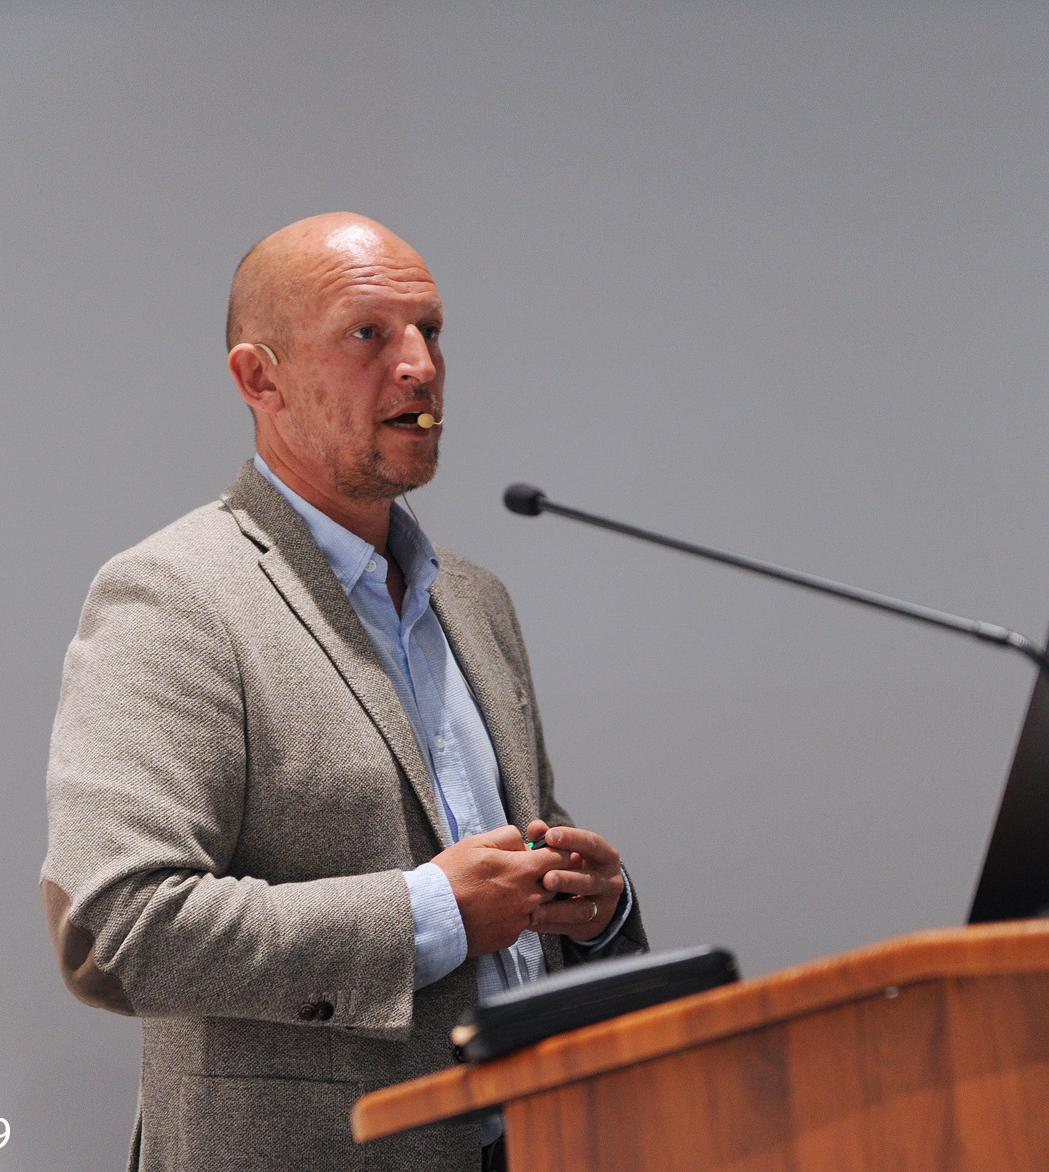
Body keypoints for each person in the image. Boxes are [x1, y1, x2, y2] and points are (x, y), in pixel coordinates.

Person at [40, 212, 646, 1172]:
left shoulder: (473, 599)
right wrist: (432, 913)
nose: (420, 366)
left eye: (431, 331)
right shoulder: (174, 598)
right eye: (369, 334)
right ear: (260, 378)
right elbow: (114, 930)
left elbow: (508, 871)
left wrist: (594, 907)